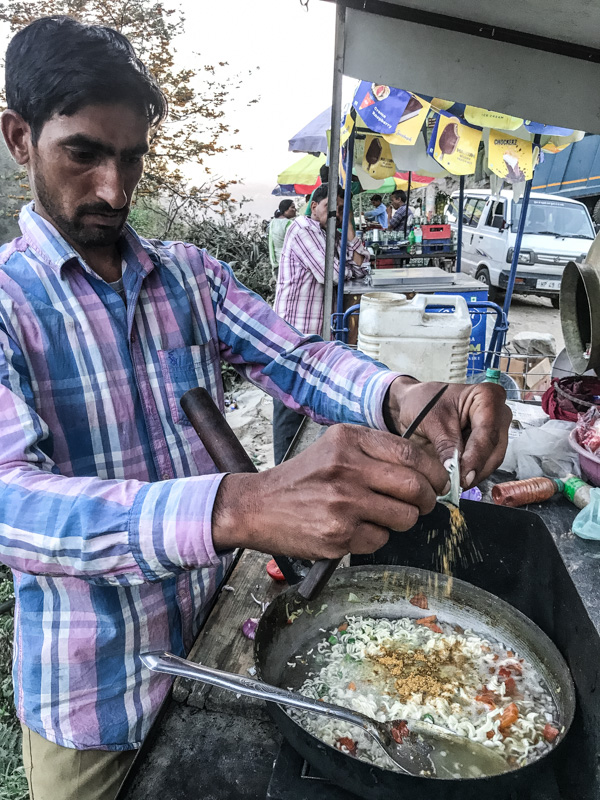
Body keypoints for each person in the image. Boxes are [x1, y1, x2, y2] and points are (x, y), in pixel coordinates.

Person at [0, 16, 511, 800]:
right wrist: (237, 506)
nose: (114, 187)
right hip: (94, 703)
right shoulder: (8, 304)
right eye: (84, 153)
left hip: (217, 662)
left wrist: (406, 394)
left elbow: (297, 358)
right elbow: (10, 500)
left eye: (132, 158)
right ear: (18, 137)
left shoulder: (188, 278)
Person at [271, 182, 367, 463]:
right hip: (294, 335)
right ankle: (283, 474)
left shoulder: (330, 234)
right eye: (330, 208)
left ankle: (303, 471)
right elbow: (334, 274)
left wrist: (347, 226)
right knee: (290, 405)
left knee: (308, 405)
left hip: (316, 337)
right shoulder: (303, 229)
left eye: (339, 209)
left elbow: (362, 267)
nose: (334, 214)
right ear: (314, 207)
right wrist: (348, 265)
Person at [268, 199, 296, 281]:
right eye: (292, 207)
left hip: (277, 263)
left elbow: (271, 244)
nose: (295, 210)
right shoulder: (290, 224)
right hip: (288, 263)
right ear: (285, 209)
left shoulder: (273, 222)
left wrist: (273, 263)